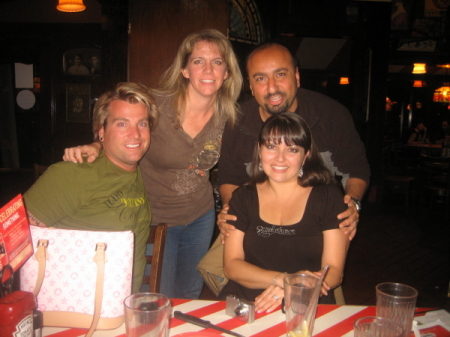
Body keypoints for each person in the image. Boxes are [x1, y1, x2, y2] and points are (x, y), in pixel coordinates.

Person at [61, 29, 243, 299]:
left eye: (217, 62)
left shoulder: (230, 117)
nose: (208, 69)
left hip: (200, 217)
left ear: (227, 72)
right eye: (198, 61)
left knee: (189, 294)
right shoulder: (157, 104)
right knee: (156, 296)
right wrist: (96, 146)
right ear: (184, 70)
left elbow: (237, 166)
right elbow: (122, 132)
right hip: (155, 220)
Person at [218, 43, 369, 241]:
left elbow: (356, 168)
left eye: (280, 75)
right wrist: (230, 214)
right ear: (251, 86)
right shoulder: (236, 123)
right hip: (258, 225)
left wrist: (352, 205)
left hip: (318, 226)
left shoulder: (331, 115)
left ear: (296, 76)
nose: (272, 88)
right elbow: (230, 179)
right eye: (261, 78)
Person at [24, 82, 159, 293]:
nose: (135, 134)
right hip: (74, 307)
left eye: (142, 124)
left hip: (121, 305)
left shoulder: (134, 170)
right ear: (102, 131)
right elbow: (11, 240)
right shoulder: (75, 173)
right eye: (122, 124)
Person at [219, 113, 350, 313]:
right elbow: (232, 266)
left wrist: (295, 289)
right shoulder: (243, 197)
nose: (280, 158)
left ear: (306, 155)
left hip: (306, 306)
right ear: (259, 150)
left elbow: (333, 272)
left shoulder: (327, 198)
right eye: (271, 146)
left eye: (292, 149)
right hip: (247, 305)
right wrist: (285, 281)